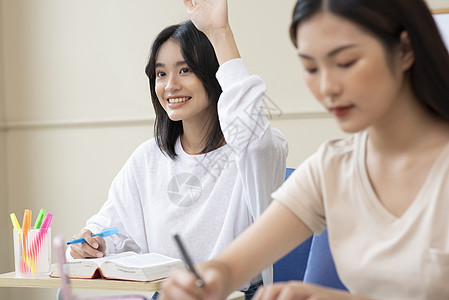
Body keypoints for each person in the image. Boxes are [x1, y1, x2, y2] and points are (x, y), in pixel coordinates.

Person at [160, 0, 449, 299]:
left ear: (404, 51)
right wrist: (208, 279)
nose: (327, 87)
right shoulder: (333, 167)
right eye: (311, 67)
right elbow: (231, 268)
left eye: (346, 62)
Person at [67, 7, 288, 300]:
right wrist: (91, 243)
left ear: (214, 75)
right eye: (161, 73)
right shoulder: (148, 158)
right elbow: (109, 229)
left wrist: (220, 33)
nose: (170, 85)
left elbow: (254, 139)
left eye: (185, 70)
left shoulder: (255, 151)